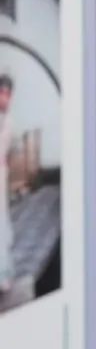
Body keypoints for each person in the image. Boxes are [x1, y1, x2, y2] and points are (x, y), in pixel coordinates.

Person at [0, 74, 14, 294]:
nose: (5, 97)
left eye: (8, 94)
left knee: (3, 224)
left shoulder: (9, 120)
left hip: (1, 173)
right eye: (1, 92)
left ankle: (3, 275)